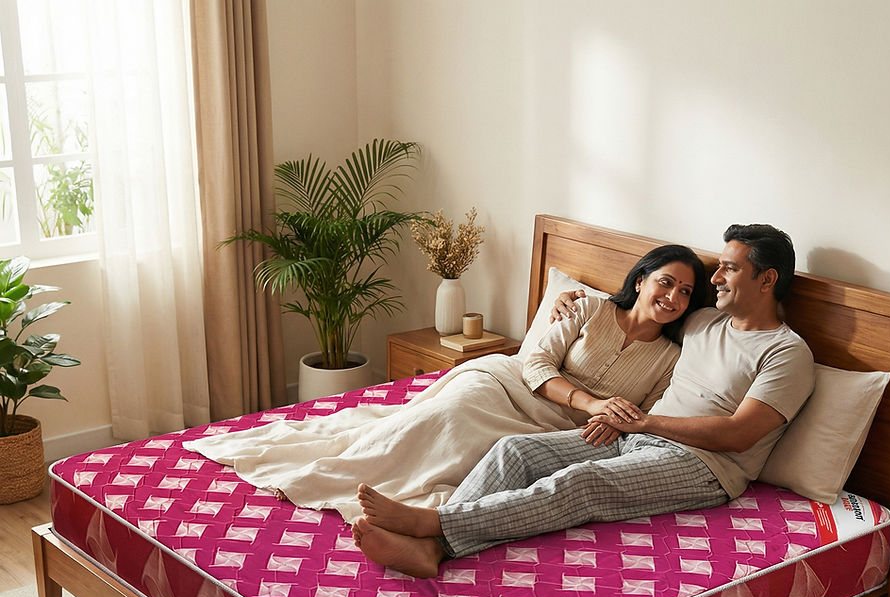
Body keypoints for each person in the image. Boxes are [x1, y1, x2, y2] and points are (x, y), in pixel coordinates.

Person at [353, 223, 816, 578]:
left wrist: (645, 423)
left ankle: (433, 526)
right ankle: (433, 546)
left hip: (705, 466)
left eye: (729, 268)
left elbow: (739, 435)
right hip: (636, 436)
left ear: (767, 279)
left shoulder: (787, 352)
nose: (715, 277)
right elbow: (644, 300)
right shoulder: (703, 321)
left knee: (581, 483)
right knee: (515, 450)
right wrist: (570, 300)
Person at [184, 245, 706, 521]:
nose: (673, 297)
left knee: (484, 450)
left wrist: (613, 421)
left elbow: (645, 413)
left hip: (558, 428)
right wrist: (591, 402)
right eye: (666, 282)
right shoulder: (586, 307)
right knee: (449, 414)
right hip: (511, 384)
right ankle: (355, 469)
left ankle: (424, 518)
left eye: (685, 292)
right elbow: (536, 363)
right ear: (641, 279)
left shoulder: (670, 357)